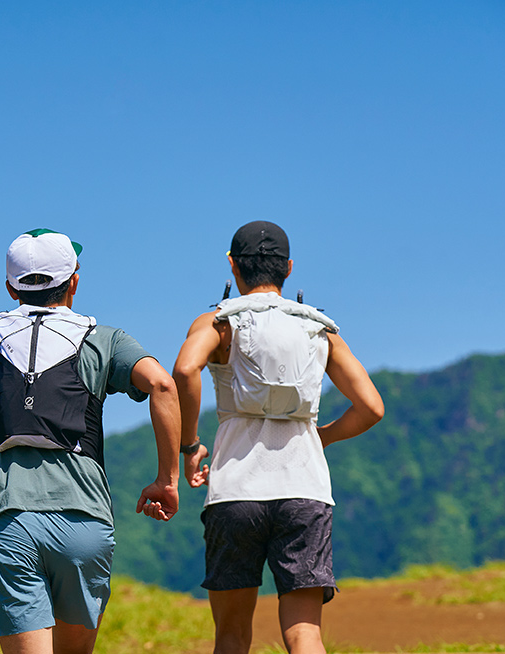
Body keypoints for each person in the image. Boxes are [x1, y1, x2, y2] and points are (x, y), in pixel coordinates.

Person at [0, 228, 180, 654]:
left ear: (9, 288)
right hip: (83, 520)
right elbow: (163, 386)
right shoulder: (105, 338)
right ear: (74, 281)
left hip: (7, 518)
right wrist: (167, 478)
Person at [172, 221, 384, 654]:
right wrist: (320, 438)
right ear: (288, 268)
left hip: (234, 492)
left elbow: (184, 369)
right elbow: (371, 408)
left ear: (233, 266)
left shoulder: (219, 321)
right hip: (305, 490)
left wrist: (190, 445)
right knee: (305, 634)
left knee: (231, 635)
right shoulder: (319, 327)